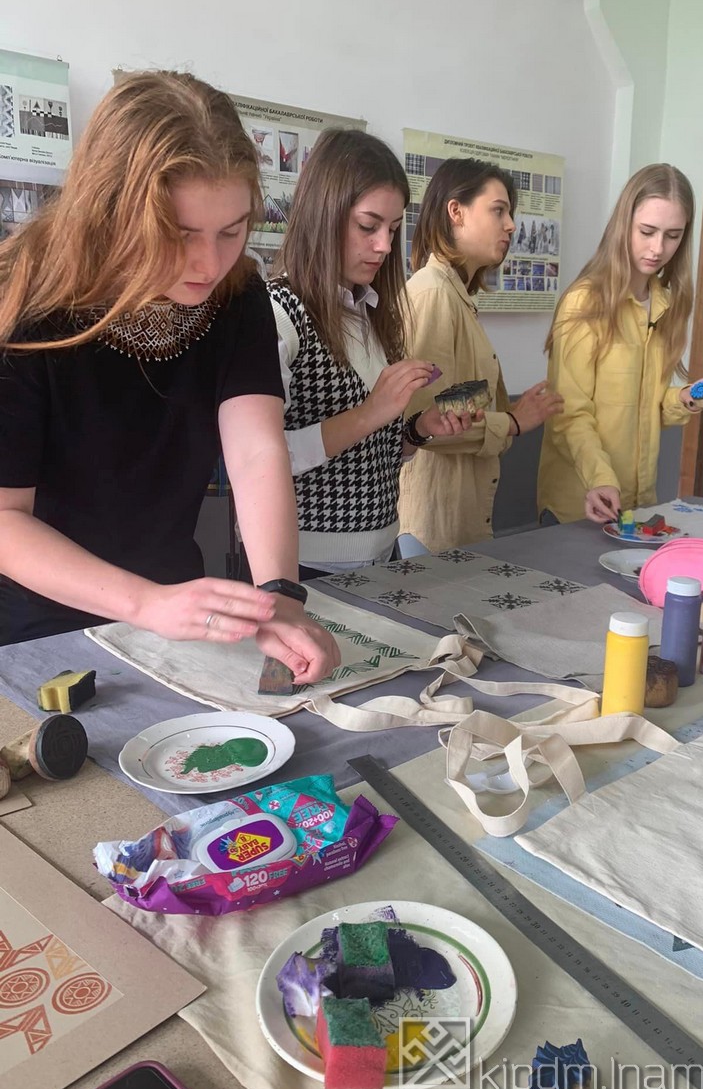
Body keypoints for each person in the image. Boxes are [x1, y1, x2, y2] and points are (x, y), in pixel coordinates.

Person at [0, 70, 339, 685]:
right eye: (178, 236)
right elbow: (4, 518)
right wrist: (146, 603)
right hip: (35, 625)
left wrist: (280, 597)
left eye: (231, 231)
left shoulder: (237, 294)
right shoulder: (25, 300)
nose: (210, 264)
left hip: (176, 612)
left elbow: (257, 452)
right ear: (108, 213)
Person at [266, 128, 473, 577]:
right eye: (368, 226)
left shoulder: (370, 311)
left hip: (382, 553)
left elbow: (368, 455)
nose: (383, 245)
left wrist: (417, 431)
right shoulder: (279, 312)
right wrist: (370, 412)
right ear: (323, 213)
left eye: (393, 229)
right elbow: (262, 458)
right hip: (304, 563)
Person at [537, 163, 703, 525]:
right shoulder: (585, 302)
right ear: (624, 225)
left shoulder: (665, 302)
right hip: (581, 503)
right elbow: (569, 414)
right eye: (647, 231)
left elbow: (646, 408)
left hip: (637, 505)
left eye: (673, 235)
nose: (658, 248)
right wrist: (601, 479)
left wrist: (685, 399)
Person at [397, 158, 563, 553]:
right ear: (456, 211)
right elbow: (424, 422)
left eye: (510, 213)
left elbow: (455, 402)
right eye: (498, 211)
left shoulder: (456, 296)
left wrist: (507, 413)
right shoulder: (434, 293)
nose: (511, 226)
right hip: (433, 527)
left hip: (458, 519)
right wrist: (512, 422)